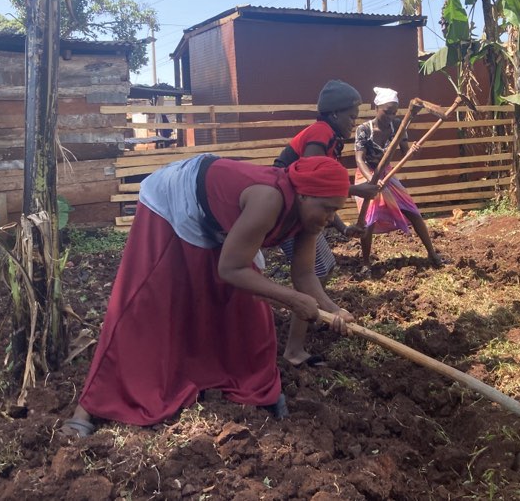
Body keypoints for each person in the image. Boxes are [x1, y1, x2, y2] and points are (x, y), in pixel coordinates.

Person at [60, 155, 354, 436]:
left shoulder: (310, 217)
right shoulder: (269, 199)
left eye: (336, 209)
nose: (331, 218)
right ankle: (88, 407)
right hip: (176, 197)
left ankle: (257, 389)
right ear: (303, 195)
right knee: (148, 303)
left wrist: (333, 310)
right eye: (327, 208)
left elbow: (304, 275)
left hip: (219, 219)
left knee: (248, 313)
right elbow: (231, 268)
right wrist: (291, 299)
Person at [274, 80, 379, 367]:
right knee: (314, 272)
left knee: (321, 270)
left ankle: (301, 331)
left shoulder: (331, 139)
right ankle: (294, 349)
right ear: (334, 114)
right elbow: (309, 180)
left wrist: (343, 228)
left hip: (297, 206)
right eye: (350, 116)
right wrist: (356, 190)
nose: (353, 122)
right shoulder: (320, 132)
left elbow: (321, 195)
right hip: (284, 206)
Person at [354, 87, 442, 275]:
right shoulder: (363, 130)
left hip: (387, 174)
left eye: (394, 112)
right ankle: (366, 263)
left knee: (413, 211)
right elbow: (359, 159)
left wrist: (414, 151)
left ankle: (433, 254)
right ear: (376, 107)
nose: (391, 116)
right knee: (368, 219)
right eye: (387, 112)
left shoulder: (399, 127)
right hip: (367, 174)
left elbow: (405, 153)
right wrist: (371, 182)